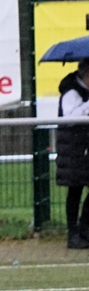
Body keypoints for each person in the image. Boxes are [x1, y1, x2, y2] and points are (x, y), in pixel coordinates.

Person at [55, 58, 89, 249]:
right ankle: (73, 233)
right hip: (74, 150)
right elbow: (70, 117)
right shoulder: (71, 92)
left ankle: (84, 227)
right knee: (75, 191)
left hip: (84, 148)